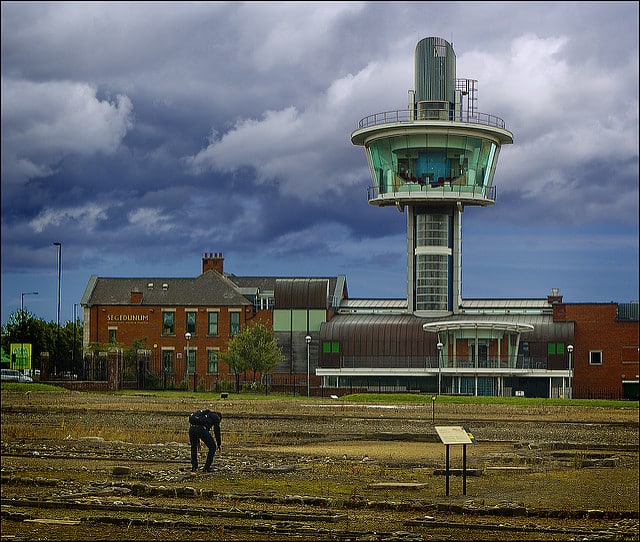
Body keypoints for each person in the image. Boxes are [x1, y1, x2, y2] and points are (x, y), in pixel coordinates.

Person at [188, 409, 222, 474]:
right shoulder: (216, 417)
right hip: (201, 429)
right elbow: (216, 431)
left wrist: (198, 442)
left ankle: (194, 467)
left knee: (193, 447)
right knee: (212, 447)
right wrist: (219, 444)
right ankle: (207, 468)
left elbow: (196, 426)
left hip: (191, 429)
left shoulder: (203, 415)